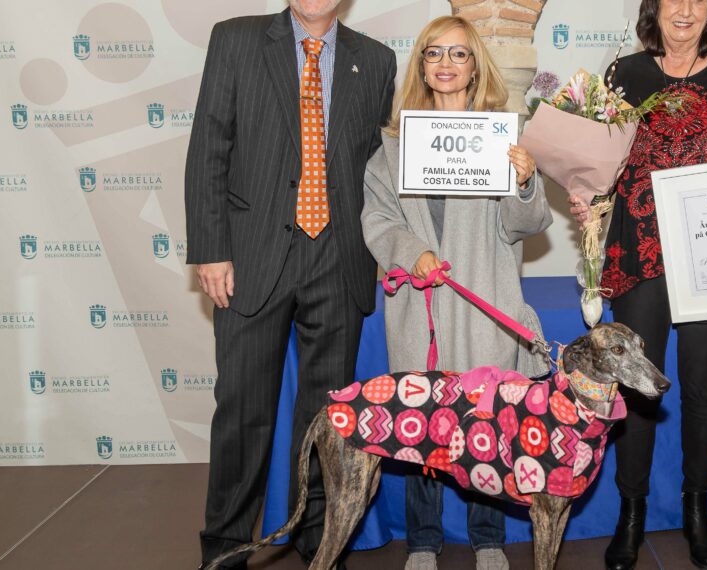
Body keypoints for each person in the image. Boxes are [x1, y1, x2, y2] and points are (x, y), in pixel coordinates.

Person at [184, 0, 396, 567]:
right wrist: (210, 250)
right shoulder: (236, 40)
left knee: (328, 420)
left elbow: (379, 168)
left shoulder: (376, 60)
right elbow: (209, 146)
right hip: (252, 259)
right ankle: (225, 548)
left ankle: (318, 543)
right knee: (243, 412)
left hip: (339, 256)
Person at [569, 1, 707, 569]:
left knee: (703, 387)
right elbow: (600, 164)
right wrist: (585, 192)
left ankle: (697, 508)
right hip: (638, 251)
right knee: (637, 389)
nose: (684, 9)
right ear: (654, 10)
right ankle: (630, 511)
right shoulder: (625, 74)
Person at [361, 15, 552, 570]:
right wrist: (407, 251)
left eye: (459, 54)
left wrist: (523, 180)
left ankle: (487, 536)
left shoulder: (501, 136)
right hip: (419, 308)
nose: (446, 64)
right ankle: (423, 541)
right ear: (420, 65)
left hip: (483, 305)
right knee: (424, 425)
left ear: (475, 67)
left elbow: (526, 224)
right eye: (434, 54)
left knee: (483, 423)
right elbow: (376, 218)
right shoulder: (392, 146)